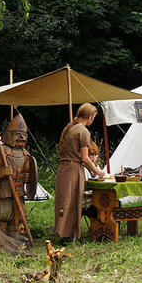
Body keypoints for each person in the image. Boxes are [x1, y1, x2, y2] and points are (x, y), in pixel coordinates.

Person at [0, 113, 38, 253]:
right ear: (9, 134)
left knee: (18, 214)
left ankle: (13, 234)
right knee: (4, 213)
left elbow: (28, 172)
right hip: (5, 190)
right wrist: (3, 172)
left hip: (19, 190)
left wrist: (26, 177)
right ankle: (1, 236)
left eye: (24, 135)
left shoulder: (25, 154)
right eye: (18, 134)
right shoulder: (2, 151)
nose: (22, 137)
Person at [55, 104, 105, 244]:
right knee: (73, 201)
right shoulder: (83, 131)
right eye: (93, 117)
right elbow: (85, 158)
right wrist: (97, 171)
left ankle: (65, 233)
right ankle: (69, 235)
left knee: (65, 201)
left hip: (64, 168)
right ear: (90, 117)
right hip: (73, 169)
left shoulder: (71, 128)